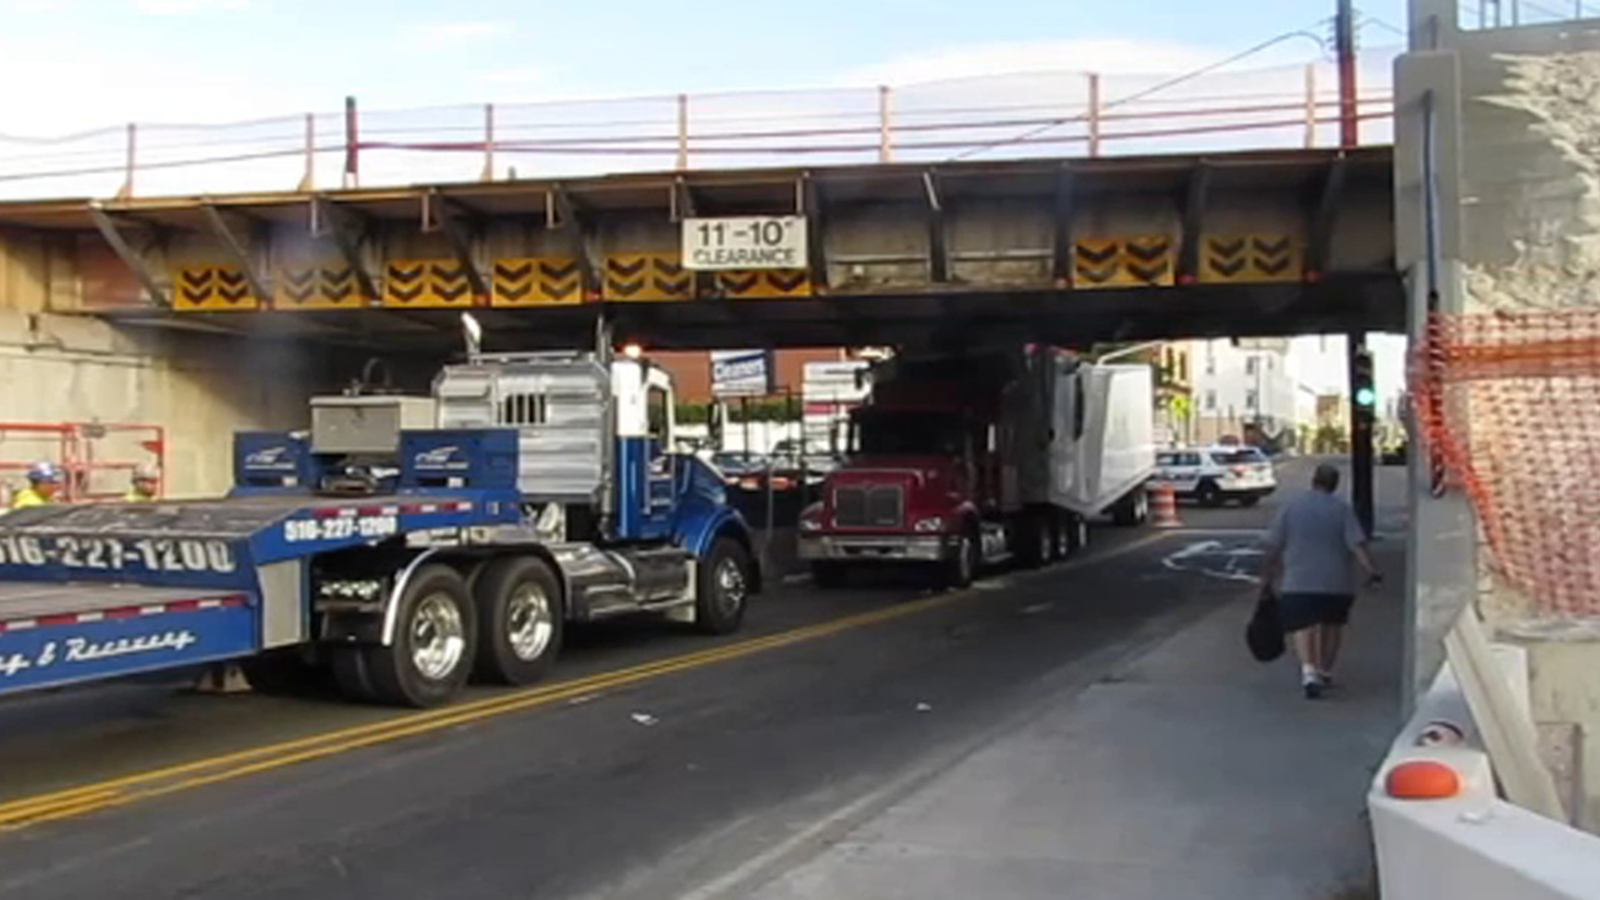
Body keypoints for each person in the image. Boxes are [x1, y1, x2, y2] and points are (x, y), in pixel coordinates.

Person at [1262, 463, 1381, 699]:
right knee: (1332, 625)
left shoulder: (1291, 507)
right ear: (1334, 484)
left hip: (1298, 580)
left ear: (1313, 480)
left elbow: (1274, 545)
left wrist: (1267, 577)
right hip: (1337, 581)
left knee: (1303, 625)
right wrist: (1372, 570)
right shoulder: (1342, 509)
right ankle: (1325, 669)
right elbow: (1356, 544)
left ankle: (1309, 670)